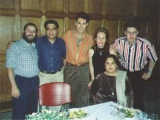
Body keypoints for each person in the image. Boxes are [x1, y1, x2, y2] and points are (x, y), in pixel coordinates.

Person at [112, 20, 158, 111]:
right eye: (129, 32)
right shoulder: (118, 42)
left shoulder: (145, 44)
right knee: (122, 99)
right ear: (125, 32)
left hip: (138, 73)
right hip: (123, 71)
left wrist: (149, 73)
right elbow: (110, 53)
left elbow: (154, 58)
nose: (131, 35)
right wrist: (113, 54)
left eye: (134, 33)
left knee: (138, 101)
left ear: (137, 33)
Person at [6, 23, 39, 120]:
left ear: (36, 34)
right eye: (28, 30)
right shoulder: (14, 46)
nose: (31, 33)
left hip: (34, 81)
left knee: (32, 111)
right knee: (19, 111)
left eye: (33, 31)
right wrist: (14, 87)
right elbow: (9, 67)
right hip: (21, 82)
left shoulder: (34, 46)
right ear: (23, 31)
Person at [63, 12, 94, 108]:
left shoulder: (91, 39)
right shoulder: (67, 35)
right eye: (79, 23)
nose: (81, 26)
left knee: (83, 95)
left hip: (84, 69)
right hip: (69, 68)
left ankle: (81, 116)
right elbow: (60, 49)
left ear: (87, 25)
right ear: (75, 23)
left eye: (84, 23)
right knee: (68, 93)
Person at [36, 20, 66, 111]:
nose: (51, 31)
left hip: (58, 75)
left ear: (57, 30)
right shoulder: (39, 41)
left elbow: (64, 57)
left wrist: (61, 72)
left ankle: (55, 116)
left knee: (56, 99)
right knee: (42, 100)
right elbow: (27, 41)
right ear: (45, 30)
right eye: (48, 29)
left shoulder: (61, 42)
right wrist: (12, 43)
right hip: (43, 75)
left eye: (53, 29)